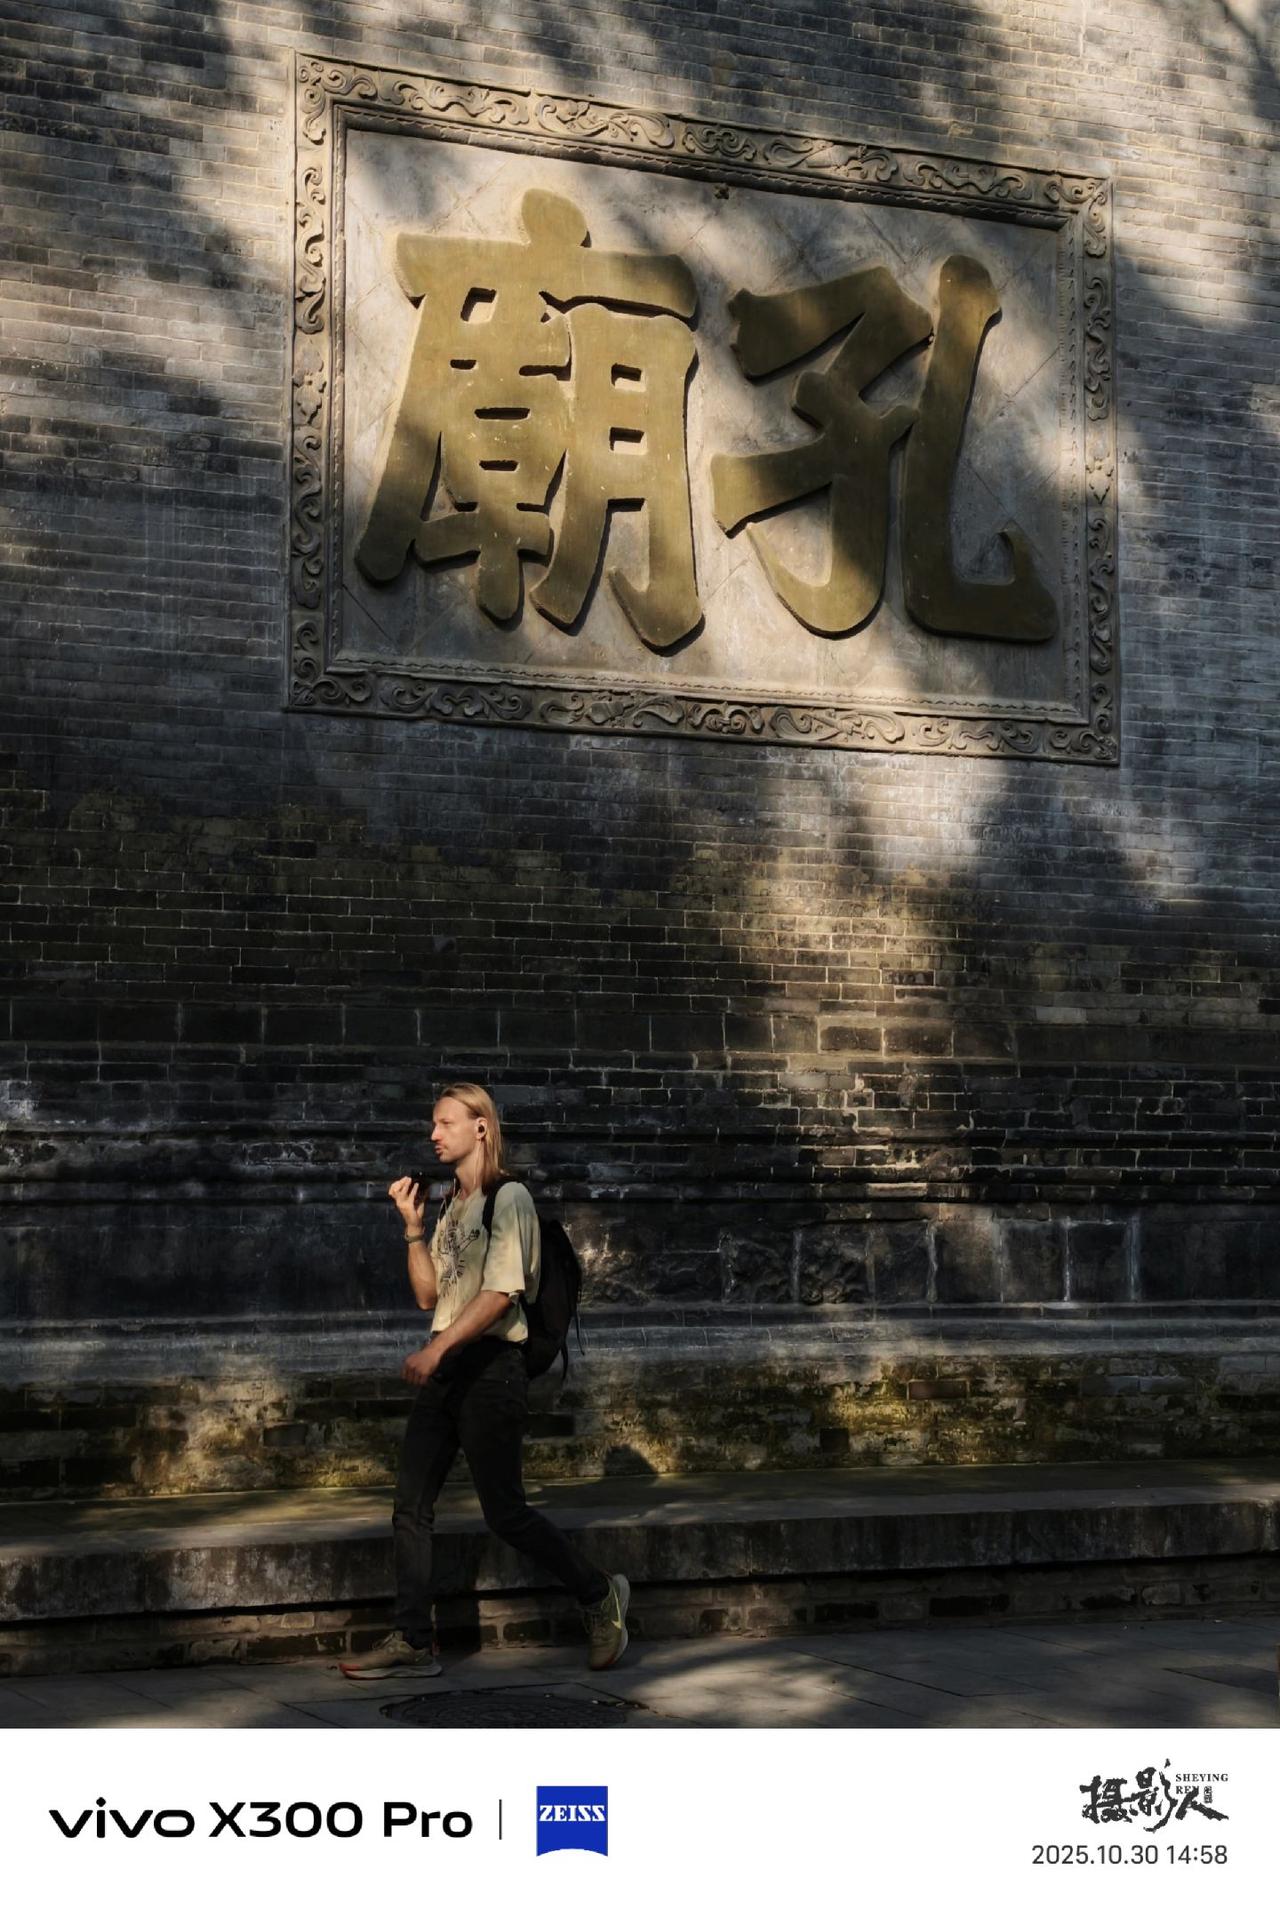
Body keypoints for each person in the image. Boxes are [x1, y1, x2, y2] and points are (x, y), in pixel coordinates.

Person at [338, 1081, 629, 1679]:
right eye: (433, 1124)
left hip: (492, 1371)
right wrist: (412, 1228)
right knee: (410, 1506)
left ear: (481, 1129)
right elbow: (428, 1296)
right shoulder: (450, 1207)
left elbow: (500, 1295)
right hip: (448, 1368)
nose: (433, 1134)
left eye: (445, 1123)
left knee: (506, 1513)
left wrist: (438, 1349)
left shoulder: (510, 1198)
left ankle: (599, 1594)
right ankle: (414, 1641)